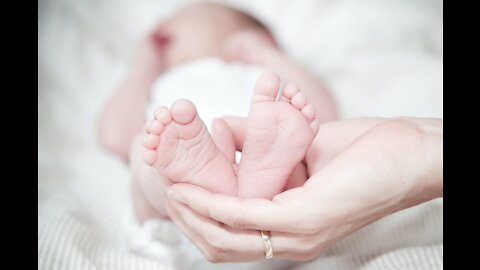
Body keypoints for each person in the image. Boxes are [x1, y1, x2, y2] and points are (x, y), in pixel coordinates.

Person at [98, 3, 337, 221]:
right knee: (145, 152)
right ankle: (218, 182)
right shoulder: (160, 82)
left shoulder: (262, 75)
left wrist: (267, 54)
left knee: (302, 155)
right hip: (181, 221)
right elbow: (115, 137)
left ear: (260, 37)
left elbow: (325, 118)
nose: (164, 29)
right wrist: (145, 66)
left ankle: (250, 182)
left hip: (280, 222)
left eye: (180, 21)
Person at [163, 116, 443, 262]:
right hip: (203, 141)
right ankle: (240, 182)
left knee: (157, 176)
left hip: (220, 141)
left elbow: (318, 112)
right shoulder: (162, 73)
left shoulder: (266, 60)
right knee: (157, 168)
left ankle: (226, 184)